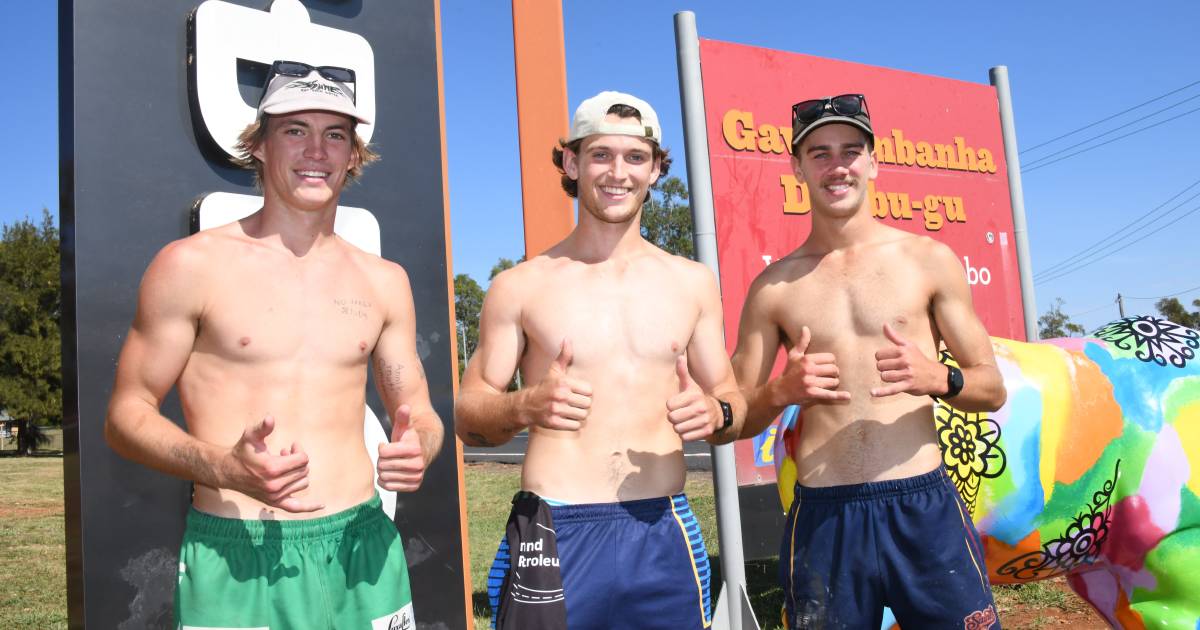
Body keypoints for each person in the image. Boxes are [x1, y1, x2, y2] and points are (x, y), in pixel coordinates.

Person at [105, 60, 441, 629]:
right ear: (258, 146)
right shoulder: (190, 266)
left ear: (353, 155)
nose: (317, 150)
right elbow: (125, 415)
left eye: (335, 134)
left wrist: (421, 448)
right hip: (239, 554)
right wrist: (222, 467)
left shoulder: (385, 281)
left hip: (364, 550)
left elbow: (423, 414)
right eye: (294, 130)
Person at [455, 91, 745, 630]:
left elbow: (732, 397)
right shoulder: (520, 286)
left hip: (663, 529)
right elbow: (470, 415)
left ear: (657, 169)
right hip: (555, 530)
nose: (618, 172)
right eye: (600, 155)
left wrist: (717, 414)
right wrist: (523, 405)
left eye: (635, 157)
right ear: (571, 162)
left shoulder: (692, 283)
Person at [731, 94, 1008, 629]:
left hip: (922, 509)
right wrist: (780, 392)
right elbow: (737, 415)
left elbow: (991, 387)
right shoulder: (773, 288)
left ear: (874, 162)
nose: (837, 165)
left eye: (850, 151)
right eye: (819, 153)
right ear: (796, 167)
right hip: (824, 518)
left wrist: (939, 377)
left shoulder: (928, 261)